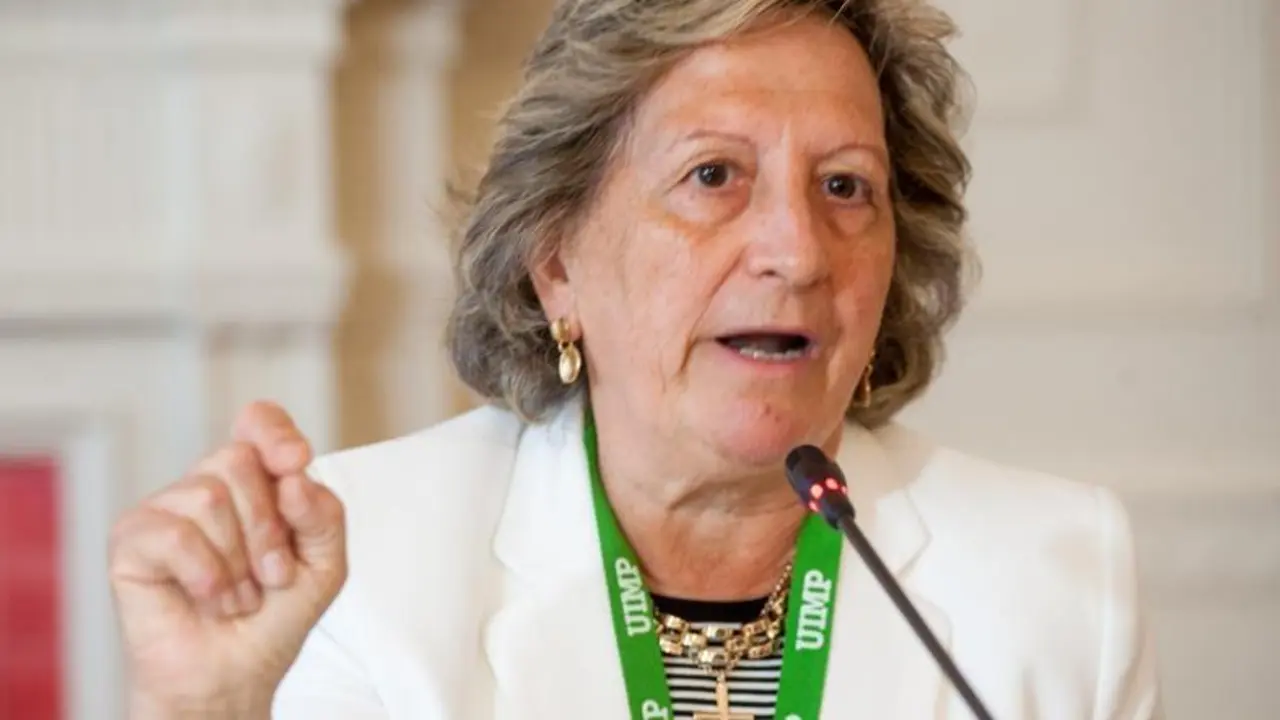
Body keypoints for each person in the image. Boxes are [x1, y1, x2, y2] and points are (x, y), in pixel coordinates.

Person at [108, 0, 1164, 718]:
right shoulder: (361, 566)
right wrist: (208, 714)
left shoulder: (1057, 576)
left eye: (844, 186)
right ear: (556, 263)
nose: (797, 251)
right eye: (713, 176)